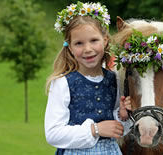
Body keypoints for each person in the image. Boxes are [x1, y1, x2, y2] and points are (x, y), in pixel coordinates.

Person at [44, 1, 132, 155]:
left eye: (94, 40)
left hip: (111, 151)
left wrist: (123, 116)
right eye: (79, 43)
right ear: (70, 48)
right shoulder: (63, 82)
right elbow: (53, 134)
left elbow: (119, 129)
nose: (87, 49)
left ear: (105, 41)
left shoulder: (114, 79)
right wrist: (95, 129)